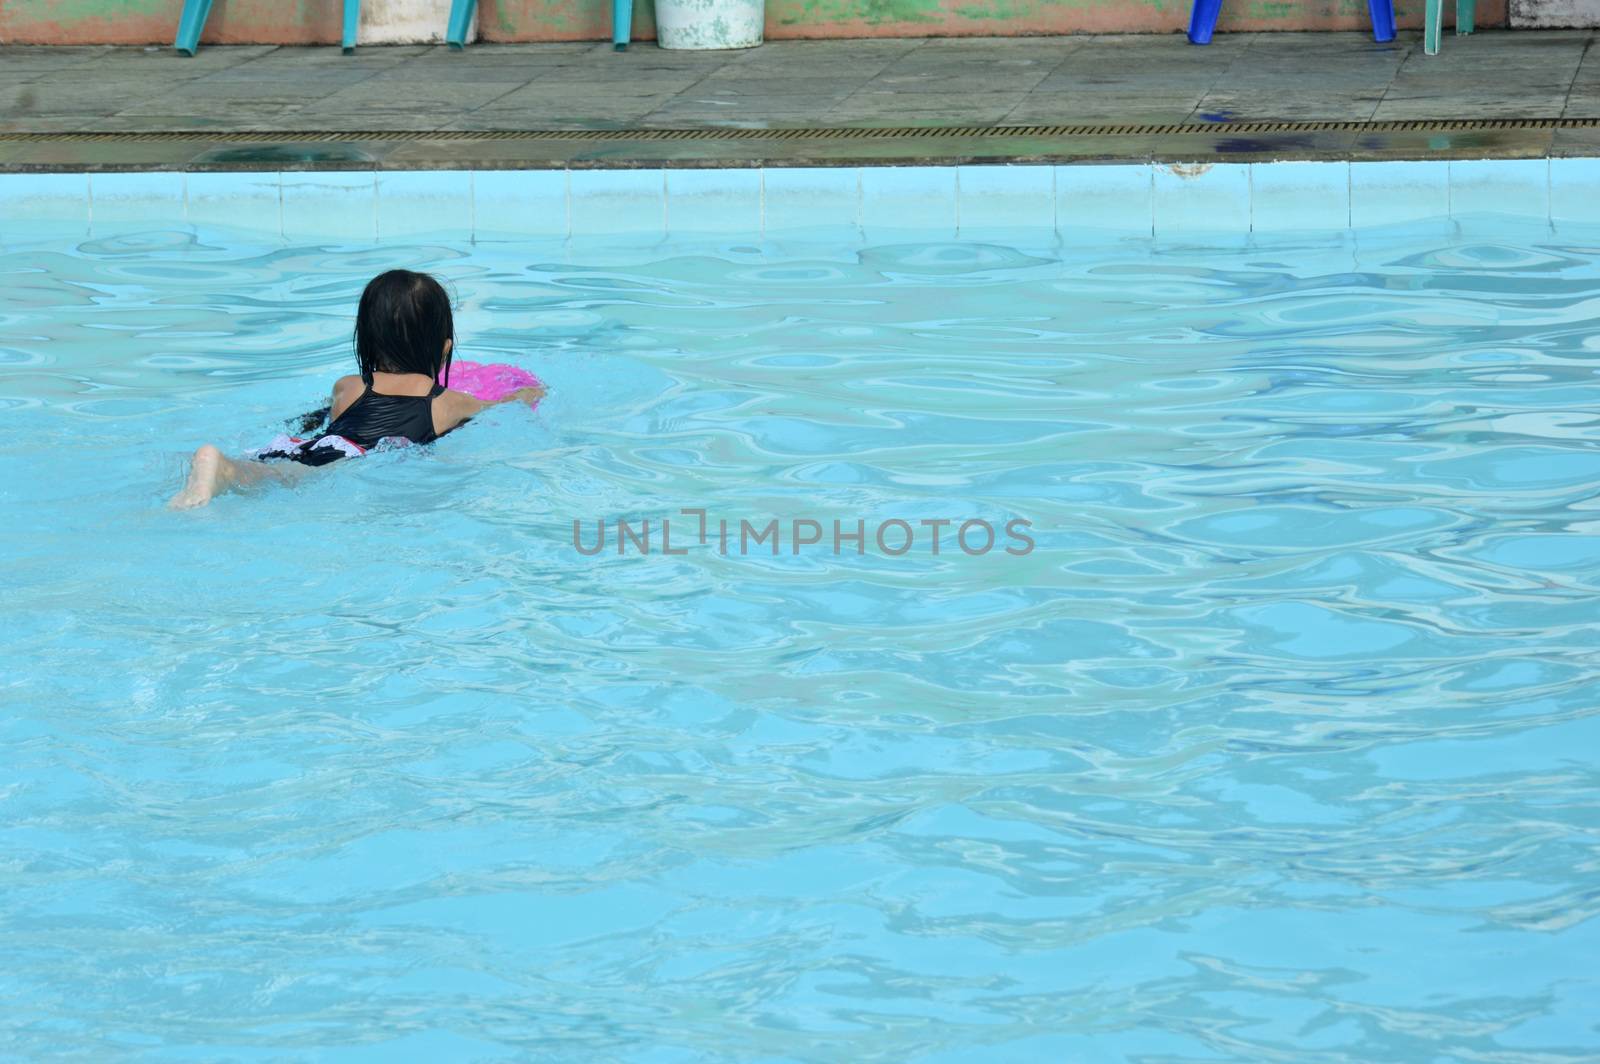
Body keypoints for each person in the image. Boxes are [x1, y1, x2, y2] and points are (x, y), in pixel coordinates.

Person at [168, 270, 544, 510]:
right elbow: (502, 404)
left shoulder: (348, 387)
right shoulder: (448, 404)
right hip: (355, 461)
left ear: (366, 340)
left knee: (272, 472)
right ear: (444, 349)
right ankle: (221, 469)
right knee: (288, 482)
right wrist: (529, 393)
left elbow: (324, 419)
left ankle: (225, 467)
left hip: (313, 446)